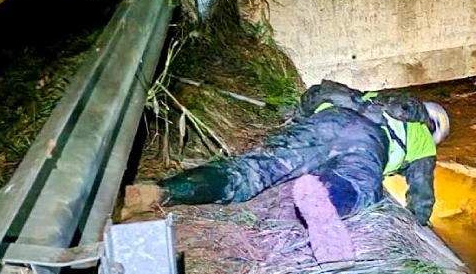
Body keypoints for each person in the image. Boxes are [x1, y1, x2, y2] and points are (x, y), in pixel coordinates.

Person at [125, 80, 450, 263]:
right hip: (367, 143)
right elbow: (421, 195)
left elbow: (308, 105)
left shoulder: (371, 97)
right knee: (360, 188)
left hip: (327, 120)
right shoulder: (420, 136)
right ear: (432, 126)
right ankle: (323, 195)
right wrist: (416, 226)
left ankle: (158, 192)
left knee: (250, 171)